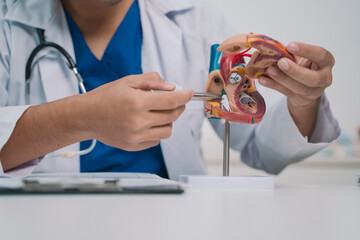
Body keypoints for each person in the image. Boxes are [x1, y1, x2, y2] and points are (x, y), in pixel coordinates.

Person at [0, 0, 340, 180]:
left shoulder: (197, 21)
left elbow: (261, 147)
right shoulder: (7, 23)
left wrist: (303, 100)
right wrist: (79, 118)